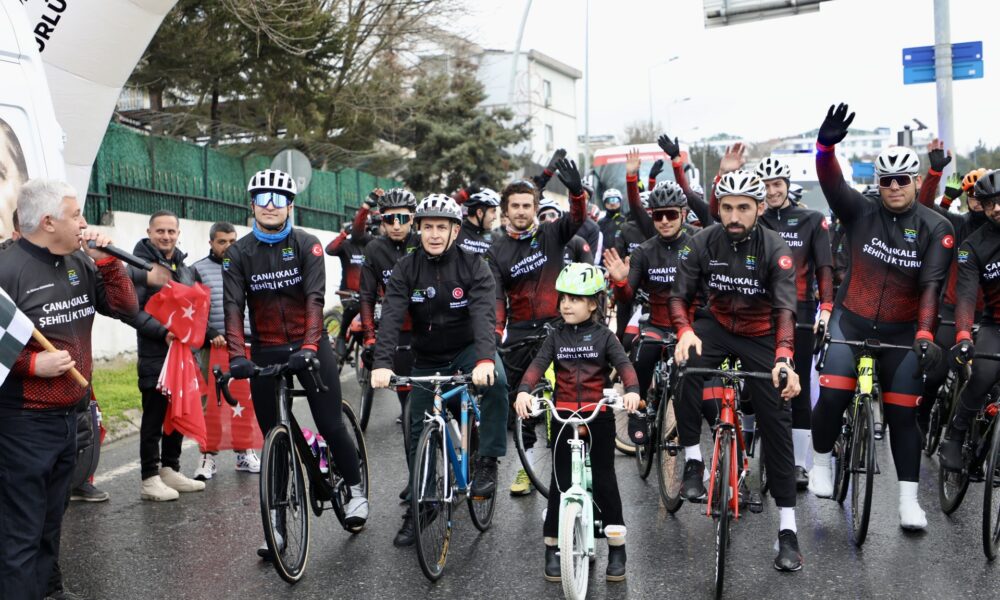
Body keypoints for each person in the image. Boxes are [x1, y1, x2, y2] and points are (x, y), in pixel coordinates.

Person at [808, 104, 953, 531]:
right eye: (886, 180)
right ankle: (821, 464)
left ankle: (908, 501)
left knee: (902, 414)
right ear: (878, 183)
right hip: (850, 320)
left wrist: (925, 333)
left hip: (903, 332)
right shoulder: (860, 212)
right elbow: (832, 183)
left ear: (915, 181)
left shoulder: (935, 227)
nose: (894, 187)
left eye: (902, 180)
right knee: (833, 394)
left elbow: (931, 287)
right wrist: (824, 149)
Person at [0, 178, 138, 600]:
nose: (83, 222)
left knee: (52, 520)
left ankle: (49, 590)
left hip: (72, 416)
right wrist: (30, 364)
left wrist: (108, 263)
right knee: (21, 530)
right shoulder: (7, 270)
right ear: (47, 222)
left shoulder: (80, 260)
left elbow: (126, 308)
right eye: (75, 214)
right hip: (23, 423)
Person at [223, 169, 368, 559]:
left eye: (279, 199)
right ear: (252, 204)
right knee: (275, 437)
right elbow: (233, 307)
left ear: (290, 205)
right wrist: (237, 355)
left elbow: (314, 299)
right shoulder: (238, 253)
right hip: (266, 349)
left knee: (330, 423)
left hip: (310, 346)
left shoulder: (308, 245)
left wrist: (309, 345)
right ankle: (277, 527)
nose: (270, 205)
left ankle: (355, 489)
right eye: (263, 198)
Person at [669, 169, 804, 572]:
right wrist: (685, 330)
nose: (734, 216)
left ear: (759, 208)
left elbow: (786, 309)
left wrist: (784, 357)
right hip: (716, 326)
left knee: (777, 420)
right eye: (727, 207)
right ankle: (693, 459)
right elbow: (679, 295)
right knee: (684, 369)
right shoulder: (702, 242)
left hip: (761, 333)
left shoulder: (775, 248)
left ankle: (788, 529)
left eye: (743, 208)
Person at [370, 194, 508, 545]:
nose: (433, 234)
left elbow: (484, 315)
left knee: (498, 382)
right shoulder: (406, 267)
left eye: (441, 227)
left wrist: (485, 359)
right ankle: (423, 503)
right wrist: (382, 363)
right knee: (416, 429)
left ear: (455, 231)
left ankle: (487, 460)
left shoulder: (474, 265)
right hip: (428, 357)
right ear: (418, 229)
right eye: (427, 227)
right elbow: (391, 317)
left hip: (468, 350)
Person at [513, 263, 640, 583]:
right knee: (559, 483)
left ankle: (617, 548)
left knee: (606, 481)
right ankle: (552, 546)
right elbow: (537, 366)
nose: (566, 304)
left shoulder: (605, 336)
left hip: (598, 416)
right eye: (564, 298)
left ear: (594, 304)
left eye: (576, 299)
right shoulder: (555, 336)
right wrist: (524, 391)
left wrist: (632, 392)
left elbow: (624, 365)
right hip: (563, 415)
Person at [487, 159, 588, 496]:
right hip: (519, 331)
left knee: (569, 396)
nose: (521, 211)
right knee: (522, 403)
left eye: (526, 205)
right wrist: (495, 336)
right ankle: (526, 468)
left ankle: (575, 460)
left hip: (558, 324)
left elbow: (577, 219)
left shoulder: (551, 233)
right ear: (505, 211)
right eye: (515, 206)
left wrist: (576, 193)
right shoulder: (496, 250)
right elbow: (497, 298)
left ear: (535, 208)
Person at [746, 153, 834, 489]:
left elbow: (824, 268)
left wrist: (826, 309)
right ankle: (748, 443)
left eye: (777, 185)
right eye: (766, 186)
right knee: (752, 385)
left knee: (797, 390)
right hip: (760, 309)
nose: (772, 191)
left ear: (787, 185)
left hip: (801, 311)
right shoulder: (755, 220)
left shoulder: (811, 219)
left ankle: (797, 465)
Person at [603, 181, 701, 444]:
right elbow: (627, 296)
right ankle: (640, 409)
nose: (665, 221)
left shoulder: (698, 242)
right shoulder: (644, 251)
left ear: (683, 213)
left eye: (671, 214)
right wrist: (620, 282)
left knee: (688, 377)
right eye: (658, 216)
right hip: (657, 323)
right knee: (642, 357)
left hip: (691, 326)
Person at [129, 210, 211, 501]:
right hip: (155, 355)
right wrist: (163, 332)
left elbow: (195, 309)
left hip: (183, 355)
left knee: (177, 412)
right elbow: (132, 311)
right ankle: (149, 478)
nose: (166, 236)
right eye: (160, 231)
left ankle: (170, 469)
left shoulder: (185, 268)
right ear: (149, 232)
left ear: (178, 233)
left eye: (171, 231)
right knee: (153, 418)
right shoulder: (138, 267)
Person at [914, 144, 987, 437]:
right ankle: (922, 419)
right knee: (936, 373)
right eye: (974, 196)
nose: (979, 202)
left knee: (987, 383)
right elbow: (923, 209)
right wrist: (934, 174)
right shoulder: (957, 225)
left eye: (985, 197)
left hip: (989, 315)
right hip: (952, 309)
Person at [939, 170, 1000, 470]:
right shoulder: (973, 245)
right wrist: (963, 335)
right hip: (995, 325)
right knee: (983, 376)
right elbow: (965, 295)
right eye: (989, 204)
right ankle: (955, 434)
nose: (996, 208)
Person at [191, 221, 261, 480]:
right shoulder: (198, 270)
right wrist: (210, 333)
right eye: (222, 242)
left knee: (246, 402)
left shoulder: (249, 266)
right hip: (214, 347)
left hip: (247, 344)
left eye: (233, 241)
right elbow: (193, 310)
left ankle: (245, 452)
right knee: (211, 404)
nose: (228, 246)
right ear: (211, 243)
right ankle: (207, 456)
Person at [359, 188, 419, 430]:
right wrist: (370, 338)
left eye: (402, 218)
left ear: (412, 218)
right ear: (381, 219)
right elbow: (367, 296)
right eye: (389, 218)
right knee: (408, 402)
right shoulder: (374, 249)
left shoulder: (423, 241)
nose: (396, 225)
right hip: (399, 329)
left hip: (430, 327)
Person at [326, 191, 377, 358]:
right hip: (349, 293)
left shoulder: (371, 244)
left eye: (367, 227)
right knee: (355, 306)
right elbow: (330, 249)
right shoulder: (346, 245)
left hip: (368, 292)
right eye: (362, 226)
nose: (364, 230)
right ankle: (341, 335)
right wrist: (343, 234)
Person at [456, 187, 500, 256]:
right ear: (480, 213)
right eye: (493, 211)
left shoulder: (495, 238)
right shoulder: (456, 233)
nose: (495, 217)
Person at [597, 188, 626, 254]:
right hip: (603, 257)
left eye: (615, 200)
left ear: (620, 202)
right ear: (604, 203)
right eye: (609, 200)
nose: (612, 203)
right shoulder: (600, 223)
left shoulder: (625, 221)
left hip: (621, 258)